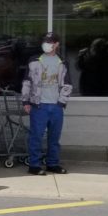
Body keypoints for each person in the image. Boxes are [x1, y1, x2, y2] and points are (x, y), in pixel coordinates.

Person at [22, 31, 72, 175]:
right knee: (36, 136)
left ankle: (53, 164)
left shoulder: (61, 61)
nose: (47, 44)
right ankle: (34, 165)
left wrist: (61, 102)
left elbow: (67, 84)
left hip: (56, 106)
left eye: (50, 42)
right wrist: (26, 100)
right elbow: (27, 82)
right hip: (39, 105)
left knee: (54, 137)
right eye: (45, 41)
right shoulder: (34, 60)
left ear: (56, 44)